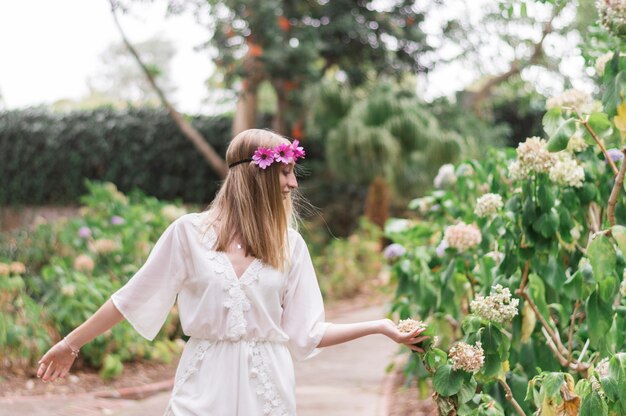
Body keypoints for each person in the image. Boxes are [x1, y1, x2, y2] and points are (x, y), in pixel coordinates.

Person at [37, 129, 428, 415]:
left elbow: (307, 332)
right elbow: (132, 298)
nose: (293, 182)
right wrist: (71, 343)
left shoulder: (291, 246)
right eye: (285, 171)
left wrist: (380, 326)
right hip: (202, 385)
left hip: (268, 390)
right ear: (258, 174)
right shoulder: (188, 234)